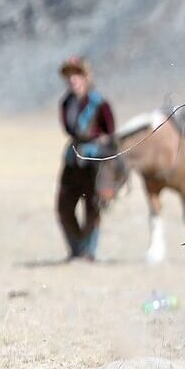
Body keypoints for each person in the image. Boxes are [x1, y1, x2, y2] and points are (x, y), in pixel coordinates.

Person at [56, 57, 115, 261]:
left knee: (93, 205)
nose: (72, 79)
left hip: (95, 161)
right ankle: (76, 249)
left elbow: (110, 132)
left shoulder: (100, 103)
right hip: (73, 158)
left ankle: (89, 252)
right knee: (64, 205)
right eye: (69, 75)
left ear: (86, 77)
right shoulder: (66, 103)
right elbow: (69, 130)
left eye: (77, 74)